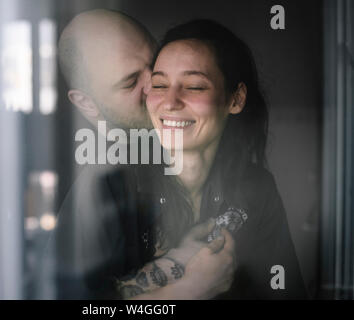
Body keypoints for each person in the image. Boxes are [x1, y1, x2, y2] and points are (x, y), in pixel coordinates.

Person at [49, 10, 236, 299]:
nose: (157, 88)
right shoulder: (99, 192)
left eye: (155, 64)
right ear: (87, 104)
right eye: (130, 82)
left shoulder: (229, 165)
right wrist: (185, 291)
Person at [118, 18, 308, 299]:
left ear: (235, 99)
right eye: (159, 86)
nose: (170, 102)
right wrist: (188, 290)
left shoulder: (257, 188)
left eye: (194, 87)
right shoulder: (114, 183)